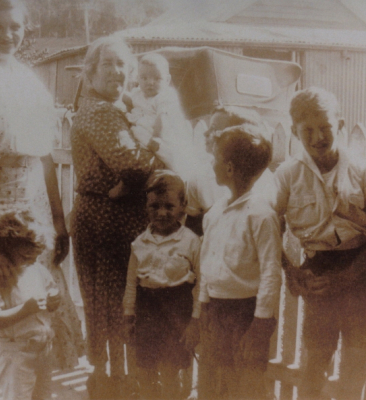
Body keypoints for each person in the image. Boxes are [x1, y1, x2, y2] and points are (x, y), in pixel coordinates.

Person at [0, 1, 84, 398]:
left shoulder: (29, 79)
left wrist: (57, 219)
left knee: (40, 305)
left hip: (32, 211)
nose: (8, 36)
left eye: (15, 28)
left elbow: (45, 155)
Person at [70, 36, 164, 399]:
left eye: (123, 64)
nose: (118, 71)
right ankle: (115, 385)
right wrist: (171, 157)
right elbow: (133, 162)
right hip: (105, 221)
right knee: (115, 303)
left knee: (115, 305)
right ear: (90, 72)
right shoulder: (100, 112)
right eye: (108, 64)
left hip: (113, 219)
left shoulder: (119, 108)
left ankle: (117, 381)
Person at [274, 87, 366, 400]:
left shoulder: (360, 170)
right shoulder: (287, 175)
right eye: (307, 130)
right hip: (318, 272)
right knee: (315, 360)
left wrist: (353, 274)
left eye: (325, 128)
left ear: (340, 125)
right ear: (294, 132)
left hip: (360, 270)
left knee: (357, 360)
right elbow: (268, 227)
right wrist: (291, 271)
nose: (317, 138)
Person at [198, 123, 282, 399]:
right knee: (214, 382)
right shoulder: (215, 213)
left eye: (215, 159)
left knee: (246, 385)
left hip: (247, 314)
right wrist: (203, 306)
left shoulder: (260, 215)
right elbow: (207, 263)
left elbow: (271, 273)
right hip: (217, 310)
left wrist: (260, 324)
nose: (211, 164)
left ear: (230, 168)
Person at [123, 170, 201, 400]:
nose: (162, 213)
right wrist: (128, 317)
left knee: (170, 372)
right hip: (147, 312)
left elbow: (201, 284)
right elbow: (131, 284)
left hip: (177, 312)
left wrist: (195, 322)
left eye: (169, 206)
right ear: (146, 207)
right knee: (145, 371)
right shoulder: (139, 244)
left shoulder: (190, 241)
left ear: (183, 205)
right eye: (154, 206)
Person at [0, 210, 61, 400]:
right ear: (5, 249)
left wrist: (54, 300)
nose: (32, 262)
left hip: (43, 348)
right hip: (14, 354)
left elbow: (51, 294)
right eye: (25, 257)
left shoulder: (37, 270)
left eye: (36, 257)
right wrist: (25, 309)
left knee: (43, 395)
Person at [110, 53, 192, 199]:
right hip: (143, 129)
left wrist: (156, 137)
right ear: (138, 79)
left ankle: (131, 184)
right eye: (144, 78)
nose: (150, 82)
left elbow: (163, 117)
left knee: (171, 162)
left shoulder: (165, 96)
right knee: (133, 149)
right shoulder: (138, 93)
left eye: (157, 78)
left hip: (161, 133)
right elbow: (129, 99)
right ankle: (128, 182)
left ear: (167, 80)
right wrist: (118, 92)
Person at [186, 105, 275, 235]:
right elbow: (192, 228)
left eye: (214, 130)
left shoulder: (262, 177)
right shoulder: (198, 177)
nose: (205, 133)